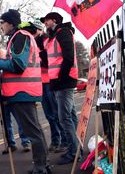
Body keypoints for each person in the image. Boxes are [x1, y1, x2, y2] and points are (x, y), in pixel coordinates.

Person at [0, 9, 50, 174]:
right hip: (22, 92)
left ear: (10, 23)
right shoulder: (17, 37)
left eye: (2, 23)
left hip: (21, 92)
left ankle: (40, 168)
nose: (1, 26)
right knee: (35, 130)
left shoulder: (20, 36)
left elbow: (18, 65)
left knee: (33, 132)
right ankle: (42, 165)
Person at [41, 12, 80, 165]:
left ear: (54, 20)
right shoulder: (53, 36)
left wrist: (61, 78)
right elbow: (50, 58)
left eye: (47, 20)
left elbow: (68, 57)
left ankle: (73, 152)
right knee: (69, 116)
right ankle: (76, 148)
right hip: (58, 81)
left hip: (63, 81)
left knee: (64, 118)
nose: (45, 23)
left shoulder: (63, 32)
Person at [32, 18, 67, 153]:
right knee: (49, 115)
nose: (33, 33)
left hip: (49, 81)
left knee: (56, 113)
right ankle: (55, 140)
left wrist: (39, 57)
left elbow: (49, 61)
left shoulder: (47, 40)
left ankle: (64, 140)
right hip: (40, 83)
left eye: (35, 30)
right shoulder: (31, 43)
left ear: (40, 30)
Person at [0, 46, 32, 154]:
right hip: (2, 98)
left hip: (12, 96)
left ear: (5, 53)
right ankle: (10, 144)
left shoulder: (10, 63)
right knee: (6, 124)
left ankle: (25, 142)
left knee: (20, 121)